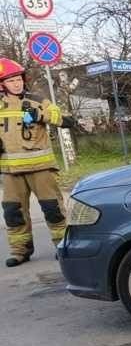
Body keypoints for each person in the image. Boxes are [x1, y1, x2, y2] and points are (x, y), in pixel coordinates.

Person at [0, 58, 74, 267]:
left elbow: (67, 120)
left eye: (18, 79)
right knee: (13, 213)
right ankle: (20, 251)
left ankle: (63, 246)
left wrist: (41, 115)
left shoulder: (38, 100)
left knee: (53, 209)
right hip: (10, 171)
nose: (16, 84)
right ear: (2, 85)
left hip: (41, 169)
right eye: (11, 81)